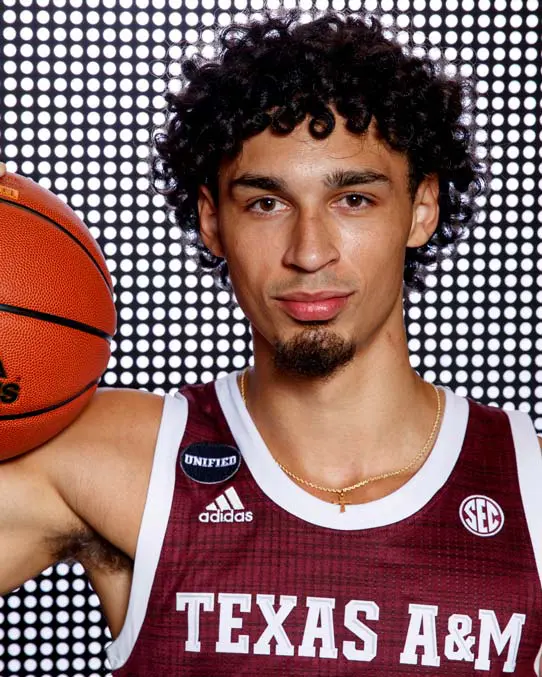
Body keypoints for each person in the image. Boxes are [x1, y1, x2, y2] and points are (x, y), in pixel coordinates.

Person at [1, 9, 541, 675]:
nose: (309, 252)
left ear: (421, 208)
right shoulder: (119, 464)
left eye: (354, 200)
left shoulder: (530, 489)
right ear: (212, 221)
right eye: (266, 203)